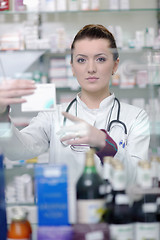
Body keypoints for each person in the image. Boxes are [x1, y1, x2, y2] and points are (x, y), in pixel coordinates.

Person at [0, 24, 149, 199]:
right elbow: (16, 151)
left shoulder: (136, 117)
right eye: (81, 60)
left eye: (100, 59)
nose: (91, 68)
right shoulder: (53, 116)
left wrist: (105, 144)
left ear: (115, 65)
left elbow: (140, 181)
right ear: (72, 67)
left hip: (116, 220)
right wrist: (2, 114)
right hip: (67, 218)